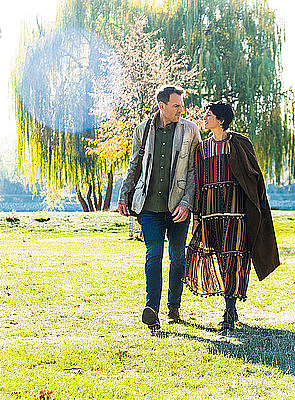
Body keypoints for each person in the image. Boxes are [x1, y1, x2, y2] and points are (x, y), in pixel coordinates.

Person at [185, 101, 280, 330]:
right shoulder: (201, 149)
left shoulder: (239, 143)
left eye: (209, 115)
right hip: (210, 212)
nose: (205, 118)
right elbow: (199, 182)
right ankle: (228, 305)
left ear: (221, 120)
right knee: (216, 255)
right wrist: (197, 214)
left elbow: (253, 176)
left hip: (236, 212)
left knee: (234, 256)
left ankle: (230, 309)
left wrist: (254, 208)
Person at [117, 85, 200, 331]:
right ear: (161, 106)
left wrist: (187, 203)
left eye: (181, 105)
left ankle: (174, 305)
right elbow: (135, 164)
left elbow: (195, 172)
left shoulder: (191, 130)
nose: (180, 110)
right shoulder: (142, 130)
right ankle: (151, 308)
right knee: (153, 254)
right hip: (149, 207)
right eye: (176, 105)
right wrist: (124, 196)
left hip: (178, 208)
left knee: (177, 257)